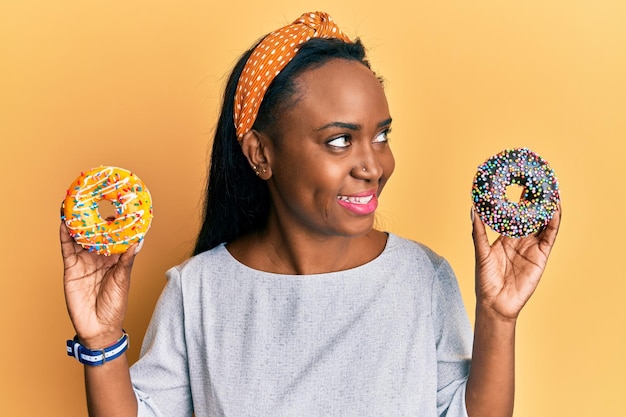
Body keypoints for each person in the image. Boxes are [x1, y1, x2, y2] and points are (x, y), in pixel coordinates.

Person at [60, 11, 561, 417]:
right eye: (339, 140)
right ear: (261, 154)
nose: (373, 165)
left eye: (381, 134)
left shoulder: (421, 277)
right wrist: (101, 342)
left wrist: (497, 316)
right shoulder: (198, 291)